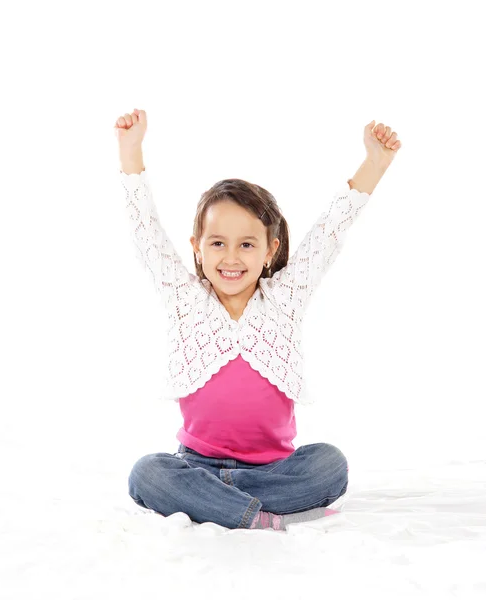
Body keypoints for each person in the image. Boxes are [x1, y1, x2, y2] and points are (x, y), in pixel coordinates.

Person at [114, 109, 402, 531]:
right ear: (197, 248)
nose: (231, 258)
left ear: (270, 250)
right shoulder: (183, 298)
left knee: (330, 464)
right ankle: (257, 515)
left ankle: (221, 507)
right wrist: (131, 150)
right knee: (147, 473)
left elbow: (329, 232)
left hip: (274, 470)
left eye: (247, 244)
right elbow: (147, 234)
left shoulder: (285, 297)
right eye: (218, 243)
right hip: (196, 467)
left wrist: (374, 163)